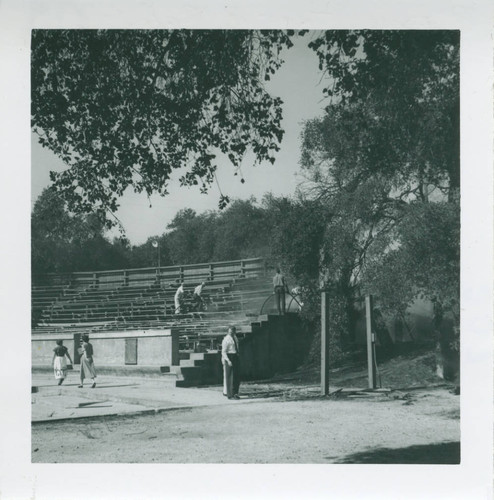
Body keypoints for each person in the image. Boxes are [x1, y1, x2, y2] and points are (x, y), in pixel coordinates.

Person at [221, 326, 240, 399]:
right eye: (230, 332)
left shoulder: (235, 338)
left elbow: (237, 347)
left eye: (232, 332)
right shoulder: (226, 339)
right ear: (228, 332)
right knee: (230, 376)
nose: (231, 333)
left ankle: (235, 393)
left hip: (235, 356)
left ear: (235, 332)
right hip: (229, 356)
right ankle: (230, 394)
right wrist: (228, 360)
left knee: (236, 376)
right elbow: (223, 352)